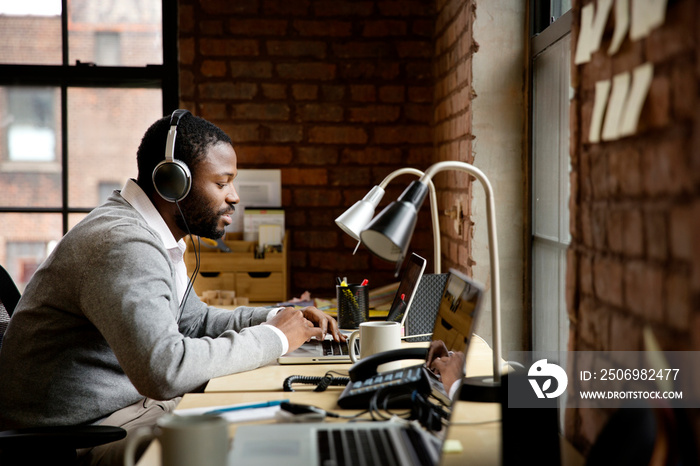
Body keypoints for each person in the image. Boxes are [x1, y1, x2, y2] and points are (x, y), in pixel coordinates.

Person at [0, 111, 344, 465]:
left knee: (269, 429)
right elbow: (165, 370)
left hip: (126, 411)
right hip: (78, 437)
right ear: (172, 182)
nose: (234, 197)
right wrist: (276, 339)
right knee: (256, 448)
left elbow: (193, 322)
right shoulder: (124, 243)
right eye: (222, 183)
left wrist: (281, 318)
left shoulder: (149, 235)